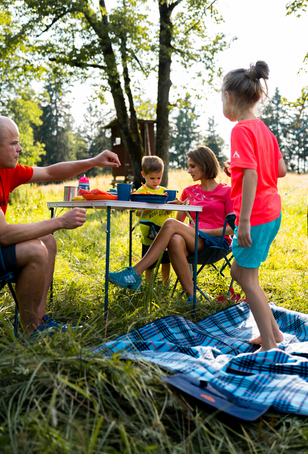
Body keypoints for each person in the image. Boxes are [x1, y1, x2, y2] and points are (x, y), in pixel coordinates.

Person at [0, 114, 121, 336]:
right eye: (14, 143)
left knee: (47, 241)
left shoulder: (2, 169)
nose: (20, 149)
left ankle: (39, 320)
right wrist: (60, 221)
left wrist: (94, 160)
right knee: (35, 250)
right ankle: (31, 333)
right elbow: (3, 234)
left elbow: (50, 172)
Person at [109, 146, 233, 303]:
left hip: (216, 242)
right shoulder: (189, 191)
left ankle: (134, 273)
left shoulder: (226, 191)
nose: (189, 171)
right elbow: (178, 223)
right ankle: (192, 298)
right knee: (175, 239)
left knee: (170, 225)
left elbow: (233, 229)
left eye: (192, 166)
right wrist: (180, 208)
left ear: (205, 164)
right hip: (194, 240)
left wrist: (205, 231)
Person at [222, 61, 287, 352]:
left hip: (256, 216)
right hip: (272, 210)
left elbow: (251, 173)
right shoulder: (264, 130)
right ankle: (272, 332)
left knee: (247, 279)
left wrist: (244, 220)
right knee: (242, 273)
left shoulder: (241, 130)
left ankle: (270, 345)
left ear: (230, 98)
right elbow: (280, 169)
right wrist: (236, 170)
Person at [135, 155, 172, 285]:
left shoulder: (164, 191)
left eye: (159, 178)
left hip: (164, 233)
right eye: (152, 178)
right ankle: (148, 285)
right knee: (149, 262)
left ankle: (165, 283)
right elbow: (137, 212)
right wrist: (150, 205)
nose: (156, 181)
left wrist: (170, 204)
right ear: (143, 175)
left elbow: (168, 212)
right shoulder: (140, 192)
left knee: (166, 261)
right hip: (149, 234)